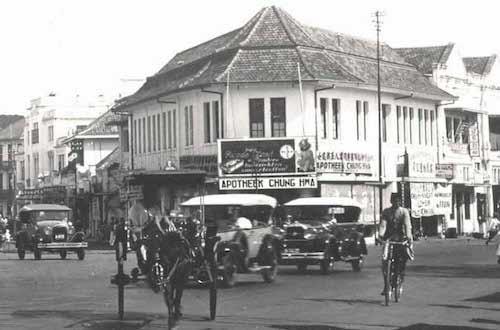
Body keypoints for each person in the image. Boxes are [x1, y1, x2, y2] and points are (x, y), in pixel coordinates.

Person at [379, 193, 413, 296]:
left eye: (398, 201)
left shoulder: (404, 212)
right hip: (389, 238)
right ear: (391, 201)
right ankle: (386, 285)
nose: (396, 203)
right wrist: (380, 235)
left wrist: (408, 236)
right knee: (385, 261)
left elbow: (407, 225)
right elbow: (383, 225)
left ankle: (400, 278)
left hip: (401, 238)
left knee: (403, 258)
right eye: (394, 200)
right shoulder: (386, 212)